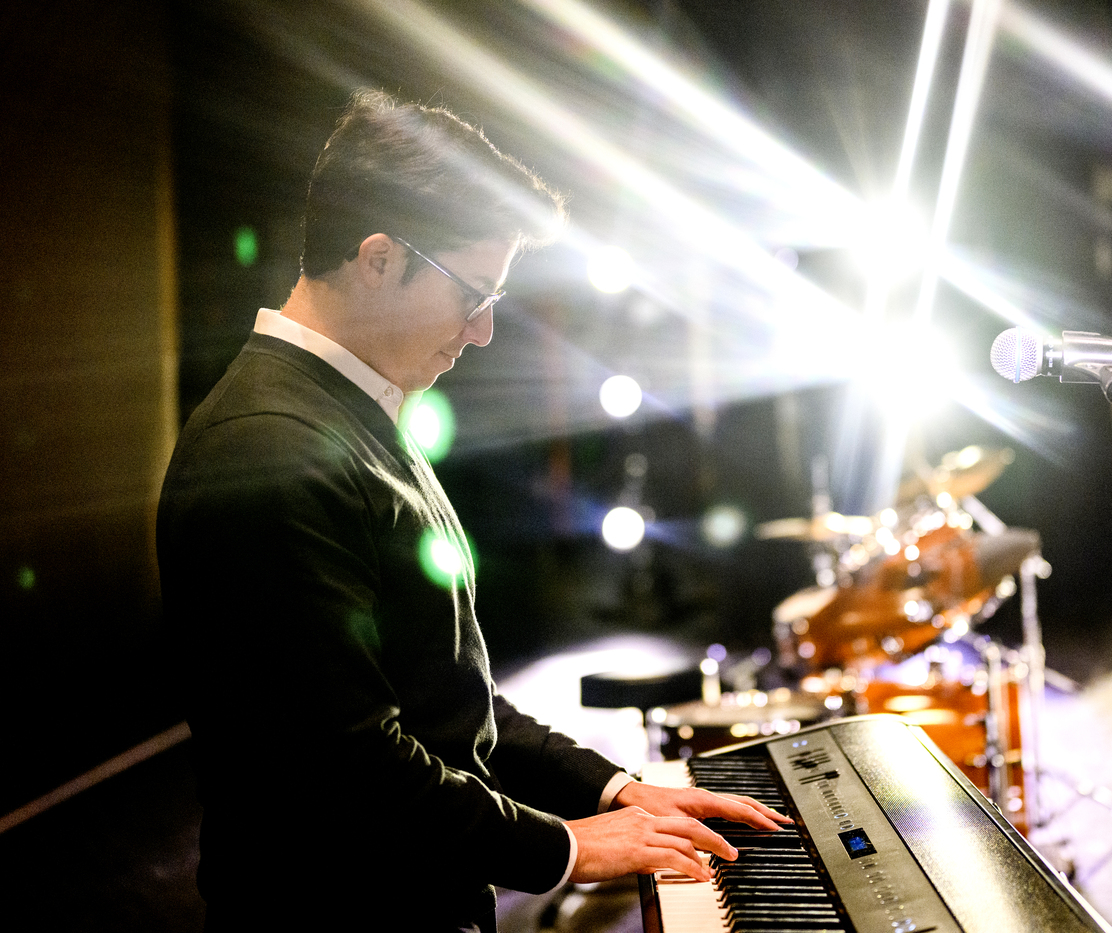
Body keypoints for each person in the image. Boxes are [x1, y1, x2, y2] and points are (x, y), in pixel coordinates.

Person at [157, 89, 786, 933]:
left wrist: (618, 790)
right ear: (377, 258)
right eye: (472, 293)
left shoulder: (348, 409)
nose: (484, 330)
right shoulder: (269, 448)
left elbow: (448, 698)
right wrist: (570, 846)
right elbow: (349, 765)